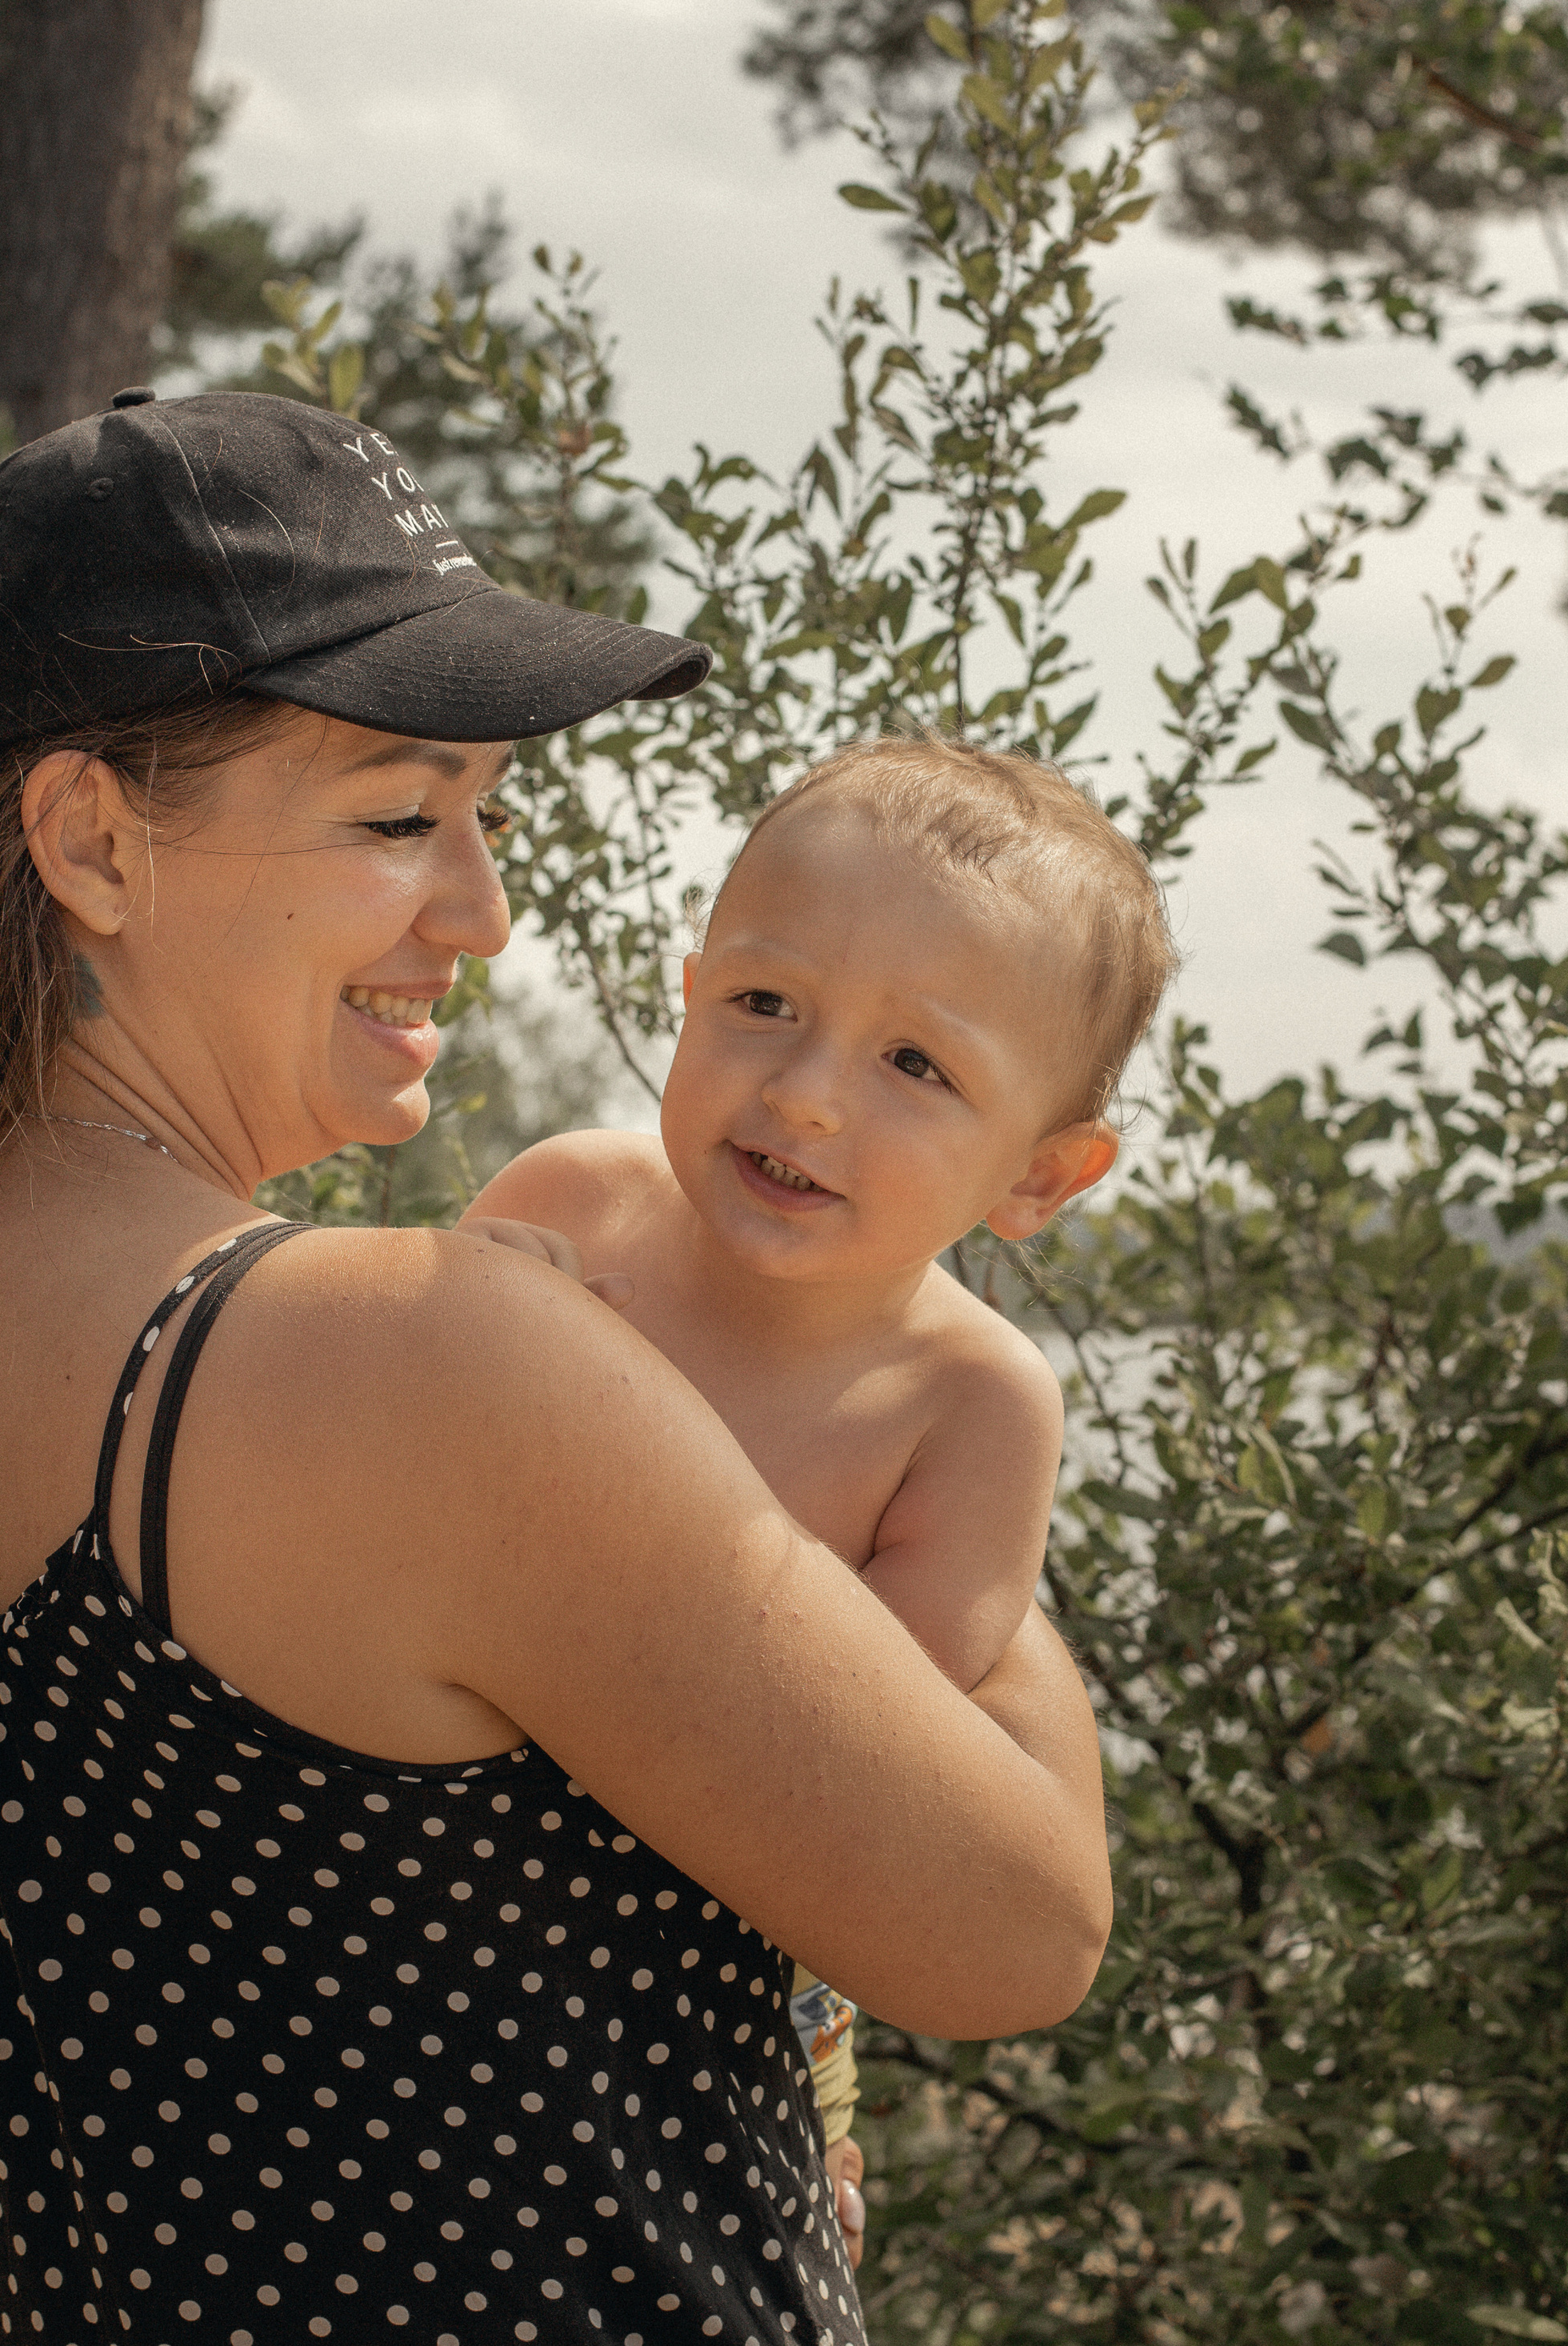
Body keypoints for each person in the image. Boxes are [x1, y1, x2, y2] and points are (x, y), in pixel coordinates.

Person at [0, 388, 1114, 2346]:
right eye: (399, 817)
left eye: (484, 817)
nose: (484, 911)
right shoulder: (416, 1359)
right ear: (89, 842)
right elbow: (1017, 1930)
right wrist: (928, 1389)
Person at [461, 735, 1178, 2255]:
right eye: (764, 1004)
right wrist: (462, 1320)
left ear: (1042, 1176)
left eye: (916, 1065)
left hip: (716, 2006)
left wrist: (594, 1449)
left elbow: (870, 1762)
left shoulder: (970, 1406)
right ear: (688, 992)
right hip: (435, 1912)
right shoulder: (568, 1204)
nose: (807, 1095)